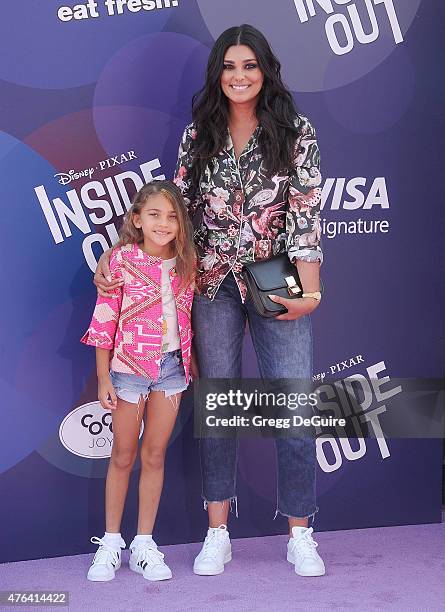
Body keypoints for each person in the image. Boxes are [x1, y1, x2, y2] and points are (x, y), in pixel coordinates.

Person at [95, 24, 325, 578]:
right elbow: (174, 214)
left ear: (265, 71)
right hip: (212, 279)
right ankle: (217, 531)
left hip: (275, 274)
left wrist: (309, 290)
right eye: (229, 66)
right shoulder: (200, 133)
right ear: (217, 74)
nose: (239, 76)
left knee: (293, 401)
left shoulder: (295, 131)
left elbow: (306, 213)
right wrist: (118, 254)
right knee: (220, 406)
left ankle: (301, 532)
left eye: (249, 65)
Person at [81, 180, 195, 582]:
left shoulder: (187, 264)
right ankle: (111, 541)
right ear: (136, 219)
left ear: (181, 224)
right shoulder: (121, 260)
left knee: (155, 455)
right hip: (128, 368)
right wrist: (102, 376)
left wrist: (188, 361)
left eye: (171, 217)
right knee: (123, 456)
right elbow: (104, 320)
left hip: (171, 371)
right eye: (154, 214)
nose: (163, 223)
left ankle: (144, 542)